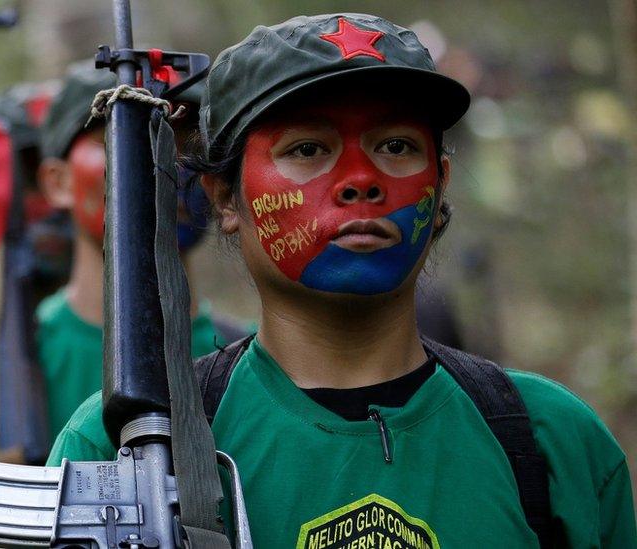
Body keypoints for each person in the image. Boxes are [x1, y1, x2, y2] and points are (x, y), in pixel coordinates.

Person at [48, 14, 636, 548]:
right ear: (224, 196)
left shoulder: (553, 442)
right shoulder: (124, 445)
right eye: (307, 149)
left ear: (441, 182)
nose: (361, 179)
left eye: (397, 146)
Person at [35, 64, 244, 442]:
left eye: (187, 144)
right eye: (126, 140)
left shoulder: (257, 367)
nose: (165, 162)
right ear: (58, 182)